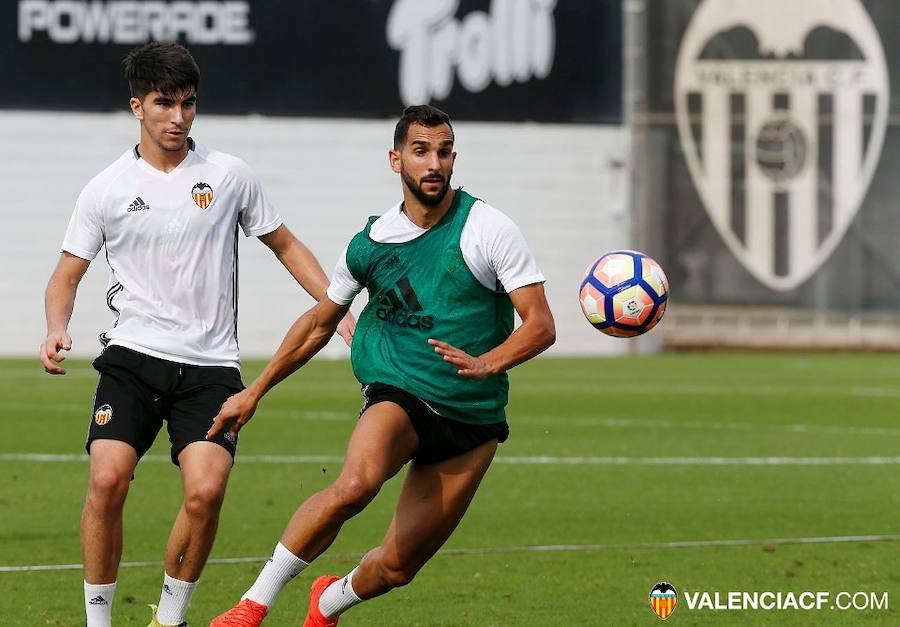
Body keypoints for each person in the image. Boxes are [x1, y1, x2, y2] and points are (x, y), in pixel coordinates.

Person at [39, 42, 354, 627]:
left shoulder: (229, 175)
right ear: (137, 106)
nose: (178, 117)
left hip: (209, 367)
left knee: (205, 492)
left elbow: (285, 245)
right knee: (106, 479)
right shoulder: (105, 188)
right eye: (164, 104)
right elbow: (66, 274)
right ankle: (98, 622)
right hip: (132, 357)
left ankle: (170, 618)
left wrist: (336, 310)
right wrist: (58, 327)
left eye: (188, 104)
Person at [208, 105, 555, 626]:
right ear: (396, 160)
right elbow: (319, 323)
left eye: (443, 151)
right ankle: (253, 604)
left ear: (454, 158)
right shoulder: (371, 243)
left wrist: (487, 363)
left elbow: (540, 324)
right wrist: (255, 390)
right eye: (420, 151)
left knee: (396, 567)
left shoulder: (489, 227)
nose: (433, 163)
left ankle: (327, 603)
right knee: (355, 485)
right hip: (399, 391)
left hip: (473, 417)